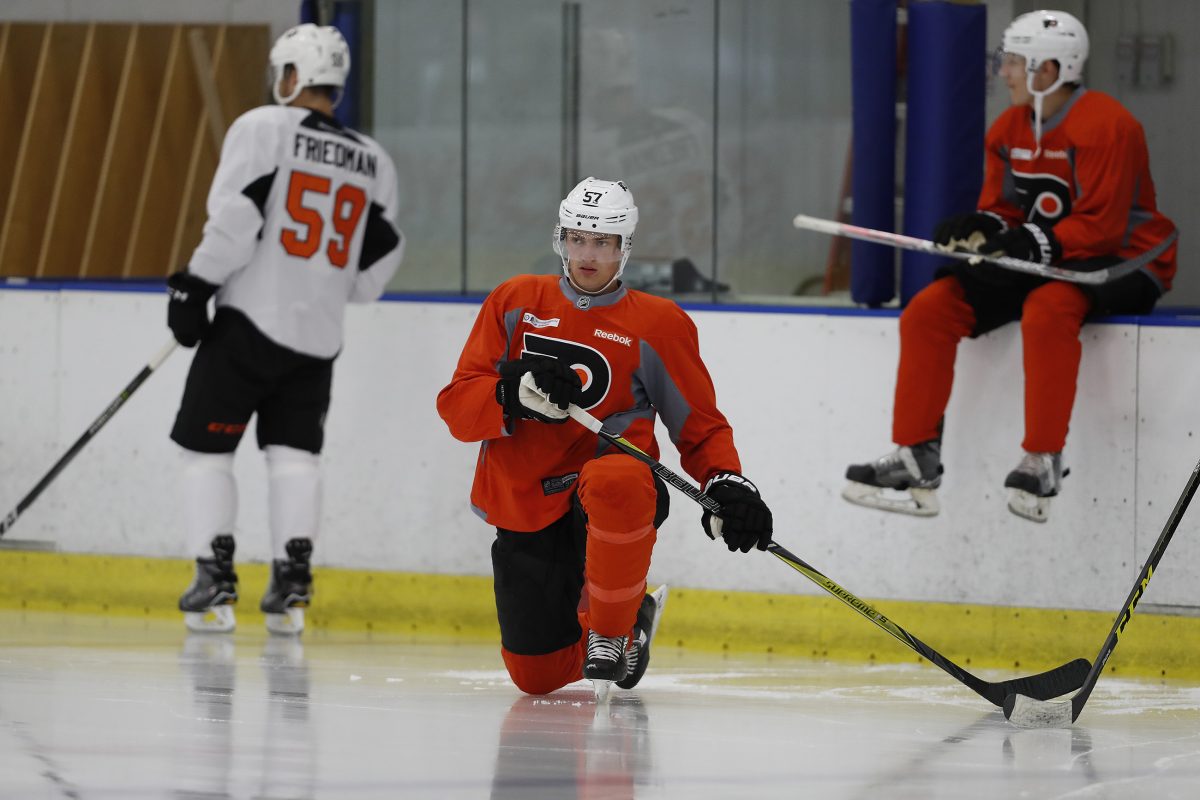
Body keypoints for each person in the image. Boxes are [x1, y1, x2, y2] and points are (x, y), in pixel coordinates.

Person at [437, 177, 772, 698]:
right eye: (576, 238)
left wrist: (727, 482)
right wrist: (512, 393)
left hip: (610, 492)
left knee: (617, 477)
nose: (587, 254)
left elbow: (700, 425)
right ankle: (634, 622)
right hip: (526, 496)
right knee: (536, 679)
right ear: (560, 239)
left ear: (624, 248)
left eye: (602, 242)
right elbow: (457, 408)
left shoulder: (658, 324)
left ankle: (612, 634)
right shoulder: (515, 301)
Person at [844, 10, 1177, 523]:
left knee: (1049, 307)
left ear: (1050, 68)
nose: (1004, 72)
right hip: (1050, 254)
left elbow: (1104, 228)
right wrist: (979, 228)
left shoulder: (1109, 126)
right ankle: (916, 455)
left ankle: (1043, 459)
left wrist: (1026, 242)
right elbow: (1004, 212)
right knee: (930, 308)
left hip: (1123, 259)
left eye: (1015, 62)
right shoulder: (1008, 127)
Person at [167, 23, 404, 634]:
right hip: (318, 339)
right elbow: (380, 257)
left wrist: (195, 285)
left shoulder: (261, 129)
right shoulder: (374, 160)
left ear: (292, 77)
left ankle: (214, 582)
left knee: (206, 452)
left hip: (248, 324)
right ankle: (292, 585)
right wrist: (327, 290)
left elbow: (235, 218)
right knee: (296, 457)